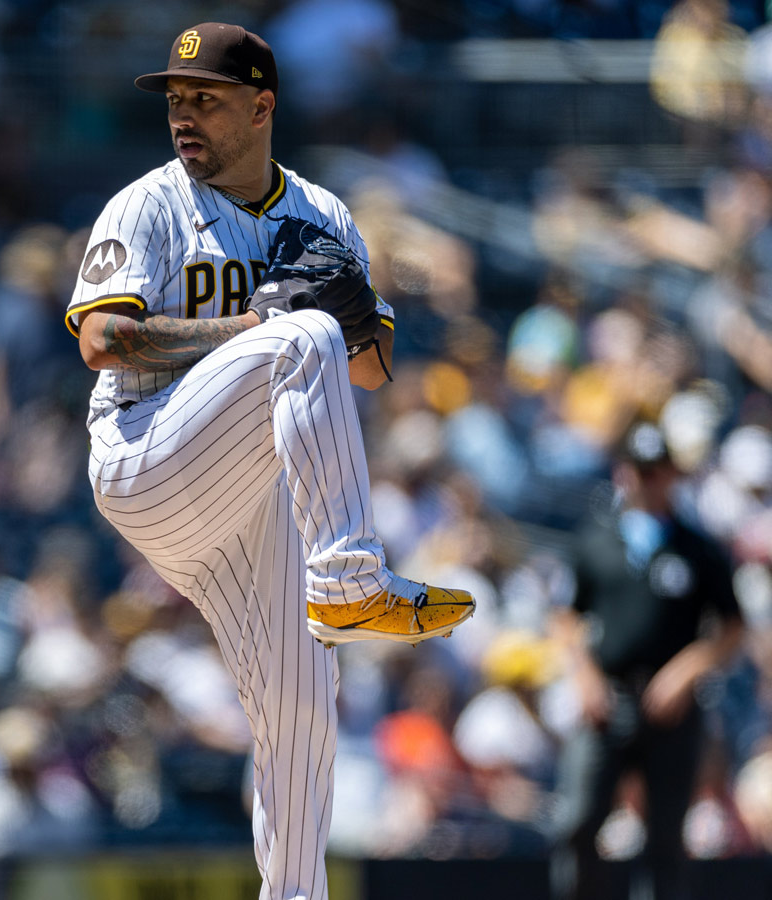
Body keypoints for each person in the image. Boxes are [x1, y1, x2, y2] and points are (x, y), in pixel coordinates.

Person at [65, 23, 476, 899]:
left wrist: (358, 307)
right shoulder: (149, 205)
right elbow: (103, 339)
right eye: (176, 101)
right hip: (148, 454)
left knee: (301, 707)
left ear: (262, 106)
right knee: (301, 335)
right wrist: (254, 329)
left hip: (250, 503)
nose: (184, 117)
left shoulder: (323, 215)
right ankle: (348, 579)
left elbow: (368, 369)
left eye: (204, 99)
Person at [550, 422, 745, 900]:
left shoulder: (697, 549)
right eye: (638, 470)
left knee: (665, 837)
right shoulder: (595, 541)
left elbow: (733, 628)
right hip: (608, 698)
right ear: (623, 473)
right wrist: (585, 675)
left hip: (672, 708)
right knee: (577, 821)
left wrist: (686, 672)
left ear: (672, 475)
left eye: (656, 471)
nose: (645, 480)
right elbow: (564, 616)